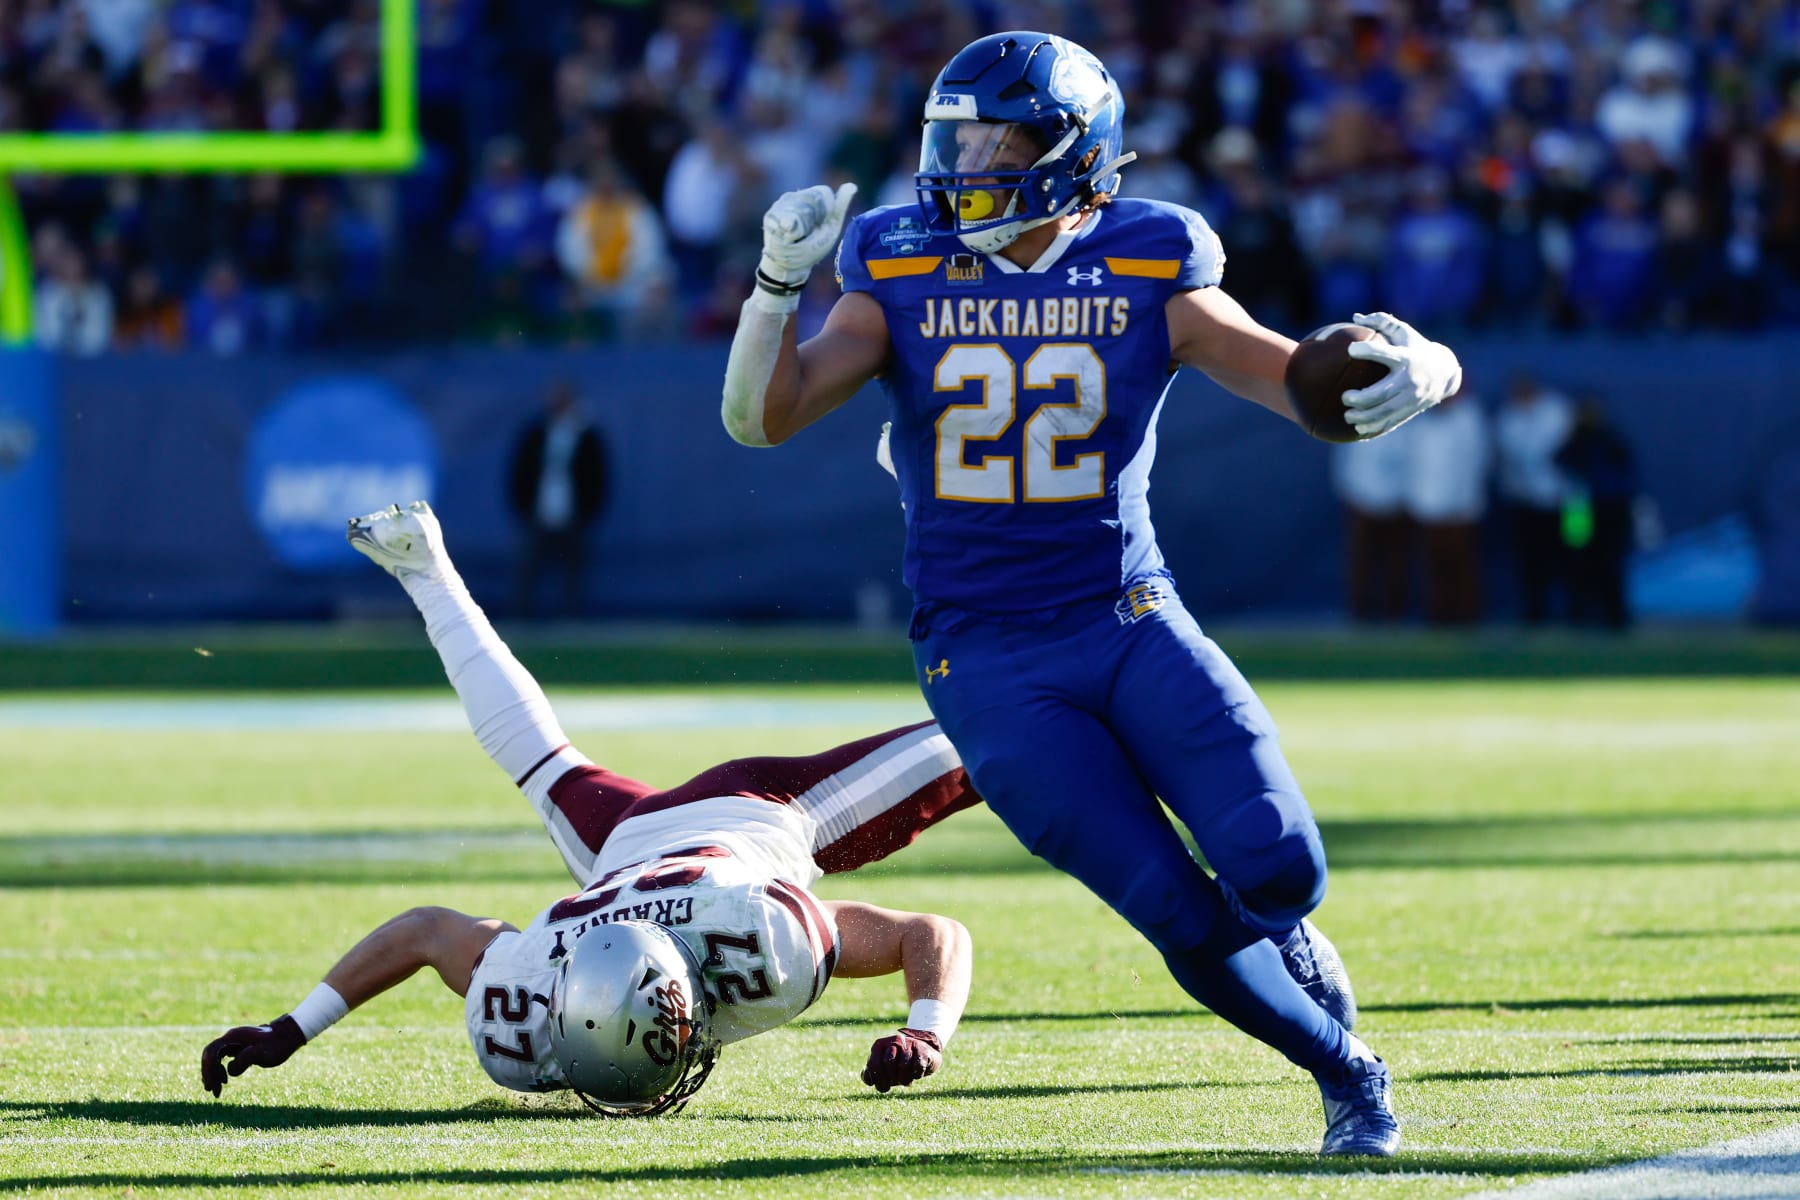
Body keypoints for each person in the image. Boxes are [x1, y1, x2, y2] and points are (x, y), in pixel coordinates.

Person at [721, 31, 1466, 1157]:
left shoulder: (1150, 252)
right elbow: (761, 417)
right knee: (1168, 902)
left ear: (1073, 154)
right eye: (955, 136)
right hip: (983, 658)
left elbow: (1290, 374)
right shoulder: (898, 256)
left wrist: (1426, 363)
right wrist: (775, 288)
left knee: (1281, 865)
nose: (964, 162)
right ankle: (1346, 1072)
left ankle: (1287, 925)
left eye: (994, 139)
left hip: (1127, 616)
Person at [201, 502, 977, 1114]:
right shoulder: (530, 999)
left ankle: (949, 503)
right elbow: (425, 932)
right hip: (619, 846)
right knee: (536, 758)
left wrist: (926, 1035)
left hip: (753, 811)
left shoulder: (758, 948)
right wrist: (291, 1028)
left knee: (999, 739)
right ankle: (427, 572)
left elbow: (929, 934)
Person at [507, 380, 609, 619]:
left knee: (573, 573)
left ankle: (569, 622)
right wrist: (524, 508)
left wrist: (587, 513)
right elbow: (520, 473)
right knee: (528, 570)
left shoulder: (586, 434)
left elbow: (598, 477)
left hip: (573, 516)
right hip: (538, 514)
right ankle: (522, 619)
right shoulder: (536, 432)